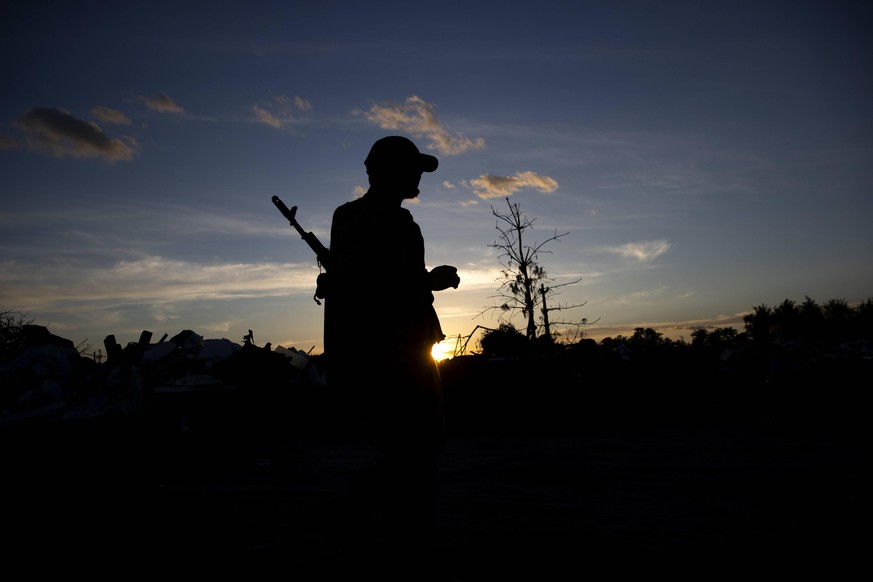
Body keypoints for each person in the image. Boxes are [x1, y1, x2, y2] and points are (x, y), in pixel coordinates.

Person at [323, 135, 460, 545]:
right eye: (413, 167)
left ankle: (397, 525)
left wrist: (423, 283)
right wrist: (428, 279)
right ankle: (397, 528)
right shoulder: (356, 218)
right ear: (386, 171)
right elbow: (368, 283)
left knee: (418, 448)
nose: (419, 175)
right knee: (414, 449)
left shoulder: (398, 221)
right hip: (389, 355)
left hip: (414, 347)